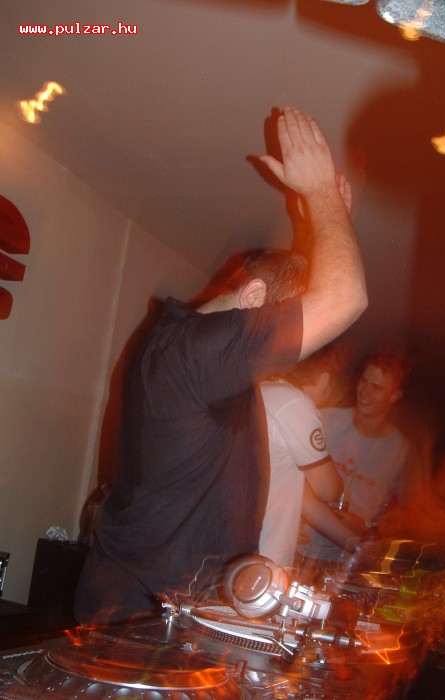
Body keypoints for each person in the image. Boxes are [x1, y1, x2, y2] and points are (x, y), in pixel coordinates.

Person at [74, 107, 368, 625]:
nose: (283, 343)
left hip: (161, 611)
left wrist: (314, 230)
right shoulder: (195, 349)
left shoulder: (198, 355)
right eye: (275, 322)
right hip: (141, 618)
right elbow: (346, 299)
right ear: (253, 298)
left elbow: (292, 293)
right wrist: (322, 192)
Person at [297, 352, 410, 568]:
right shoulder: (325, 419)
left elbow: (402, 516)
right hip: (301, 549)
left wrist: (368, 526)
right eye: (363, 381)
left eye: (376, 387)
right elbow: (285, 473)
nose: (364, 391)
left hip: (346, 562)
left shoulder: (399, 449)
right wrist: (288, 519)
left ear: (394, 396)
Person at [258, 351, 360, 569]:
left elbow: (306, 500)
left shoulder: (265, 390)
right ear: (324, 379)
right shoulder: (294, 402)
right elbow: (328, 491)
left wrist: (359, 547)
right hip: (263, 555)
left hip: (251, 550)